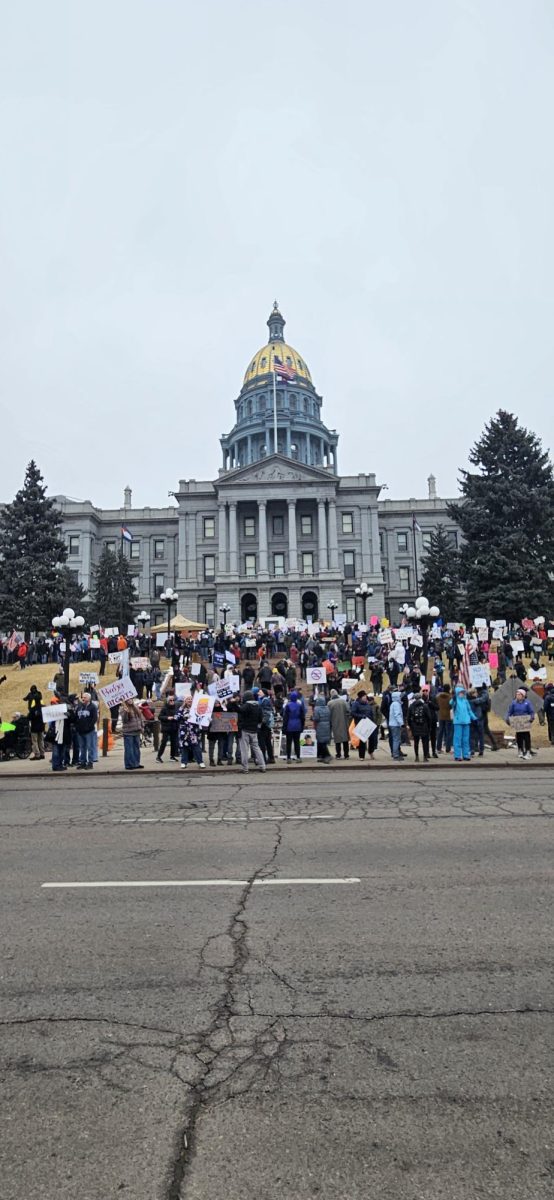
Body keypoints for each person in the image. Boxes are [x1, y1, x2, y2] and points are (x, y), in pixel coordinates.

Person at [232, 690, 266, 773]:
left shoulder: (247, 705)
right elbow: (260, 718)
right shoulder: (258, 706)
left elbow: (240, 711)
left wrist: (234, 703)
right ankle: (262, 766)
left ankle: (245, 768)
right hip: (254, 730)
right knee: (257, 748)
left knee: (244, 749)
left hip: (245, 730)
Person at [506, 687, 535, 760]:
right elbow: (510, 712)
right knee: (519, 737)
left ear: (523, 695)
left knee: (526, 737)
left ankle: (528, 751)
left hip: (525, 723)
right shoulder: (514, 703)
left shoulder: (527, 703)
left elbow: (531, 712)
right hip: (517, 722)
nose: (517, 695)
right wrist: (508, 718)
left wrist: (531, 718)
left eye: (519, 694)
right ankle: (520, 750)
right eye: (517, 694)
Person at [450, 685, 476, 762]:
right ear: (457, 693)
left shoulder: (465, 701)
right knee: (457, 739)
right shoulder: (455, 700)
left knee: (465, 739)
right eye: (460, 692)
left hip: (466, 722)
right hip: (458, 722)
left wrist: (474, 717)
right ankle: (457, 755)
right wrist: (453, 698)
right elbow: (451, 703)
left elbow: (469, 710)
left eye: (463, 692)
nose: (462, 693)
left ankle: (466, 755)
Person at [179, 696, 205, 769]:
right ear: (185, 701)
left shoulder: (196, 708)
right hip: (185, 731)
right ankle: (183, 762)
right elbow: (176, 717)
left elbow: (202, 716)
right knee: (184, 747)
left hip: (194, 731)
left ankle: (200, 762)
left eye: (191, 699)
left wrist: (206, 719)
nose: (190, 700)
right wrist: (183, 716)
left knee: (196, 747)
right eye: (188, 699)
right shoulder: (181, 708)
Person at [74, 692, 98, 770]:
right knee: (82, 747)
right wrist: (77, 726)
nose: (83, 699)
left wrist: (89, 727)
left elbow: (94, 718)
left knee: (90, 747)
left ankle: (90, 763)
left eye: (85, 697)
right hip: (80, 731)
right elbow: (76, 717)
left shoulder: (93, 707)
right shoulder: (79, 707)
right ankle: (83, 762)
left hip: (89, 731)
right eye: (83, 697)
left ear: (89, 698)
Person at [351, 691, 377, 760]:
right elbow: (353, 713)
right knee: (362, 740)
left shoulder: (368, 704)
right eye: (364, 696)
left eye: (366, 696)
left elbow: (371, 713)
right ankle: (361, 756)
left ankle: (371, 751)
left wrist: (373, 722)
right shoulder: (356, 704)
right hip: (361, 724)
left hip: (369, 723)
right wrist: (361, 716)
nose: (365, 698)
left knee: (372, 739)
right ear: (360, 697)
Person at [407, 692, 432, 762]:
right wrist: (429, 726)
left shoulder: (411, 706)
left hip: (415, 726)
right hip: (424, 726)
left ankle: (417, 757)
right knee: (425, 742)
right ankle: (425, 757)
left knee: (416, 742)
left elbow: (408, 717)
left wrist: (410, 726)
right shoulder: (425, 706)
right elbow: (429, 717)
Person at [282, 689, 305, 763]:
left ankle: (288, 758)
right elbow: (302, 717)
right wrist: (302, 726)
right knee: (297, 742)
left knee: (289, 743)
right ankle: (298, 757)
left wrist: (284, 727)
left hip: (289, 725)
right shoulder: (299, 705)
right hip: (297, 725)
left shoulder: (287, 706)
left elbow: (285, 718)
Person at [121, 699, 145, 769]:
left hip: (137, 731)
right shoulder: (123, 709)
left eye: (131, 699)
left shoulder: (135, 707)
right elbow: (124, 720)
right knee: (129, 749)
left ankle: (136, 763)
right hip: (128, 732)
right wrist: (126, 712)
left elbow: (140, 718)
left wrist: (142, 726)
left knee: (136, 749)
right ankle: (129, 765)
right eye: (128, 699)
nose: (130, 700)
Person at [24, 685, 45, 760]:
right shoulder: (43, 707)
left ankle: (37, 754)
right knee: (41, 740)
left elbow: (29, 717)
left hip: (34, 727)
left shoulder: (33, 709)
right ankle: (42, 754)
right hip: (42, 727)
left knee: (35, 741)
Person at [328, 688, 350, 759]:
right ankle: (346, 755)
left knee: (337, 740)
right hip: (344, 722)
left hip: (335, 723)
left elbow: (328, 714)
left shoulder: (330, 703)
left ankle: (338, 754)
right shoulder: (343, 701)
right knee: (345, 739)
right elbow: (348, 710)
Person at [157, 695, 180, 762]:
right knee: (163, 742)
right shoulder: (164, 708)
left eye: (173, 700)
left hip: (174, 727)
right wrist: (167, 718)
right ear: (167, 701)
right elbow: (160, 717)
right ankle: (158, 757)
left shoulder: (175, 707)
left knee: (174, 742)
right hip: (166, 728)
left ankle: (172, 756)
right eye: (170, 700)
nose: (172, 701)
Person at [313, 695, 333, 762]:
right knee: (323, 742)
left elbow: (316, 718)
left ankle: (327, 756)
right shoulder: (327, 708)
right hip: (327, 726)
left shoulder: (316, 709)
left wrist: (312, 718)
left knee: (321, 742)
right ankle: (323, 756)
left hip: (320, 726)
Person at [387, 690, 406, 760]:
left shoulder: (393, 704)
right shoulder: (396, 704)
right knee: (396, 740)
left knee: (396, 739)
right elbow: (397, 714)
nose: (401, 697)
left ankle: (396, 754)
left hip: (392, 724)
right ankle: (396, 755)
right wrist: (402, 723)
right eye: (400, 696)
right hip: (395, 724)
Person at [436, 685, 453, 753]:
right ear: (449, 689)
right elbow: (451, 706)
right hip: (448, 716)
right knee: (449, 732)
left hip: (440, 716)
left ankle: (438, 748)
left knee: (440, 732)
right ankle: (448, 748)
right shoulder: (450, 697)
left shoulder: (438, 697)